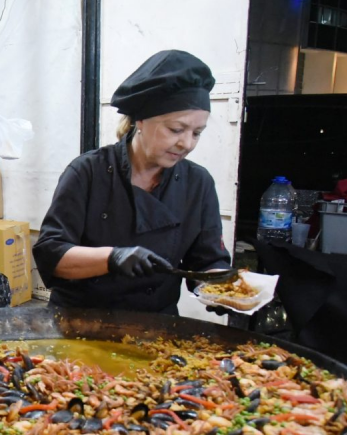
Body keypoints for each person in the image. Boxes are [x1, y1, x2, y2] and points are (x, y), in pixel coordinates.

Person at [33, 50, 231, 314]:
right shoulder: (88, 172)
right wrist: (112, 258)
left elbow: (206, 263)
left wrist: (225, 288)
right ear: (141, 120)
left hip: (156, 326)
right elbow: (52, 255)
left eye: (197, 133)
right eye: (176, 129)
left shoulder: (198, 183)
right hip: (81, 322)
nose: (187, 143)